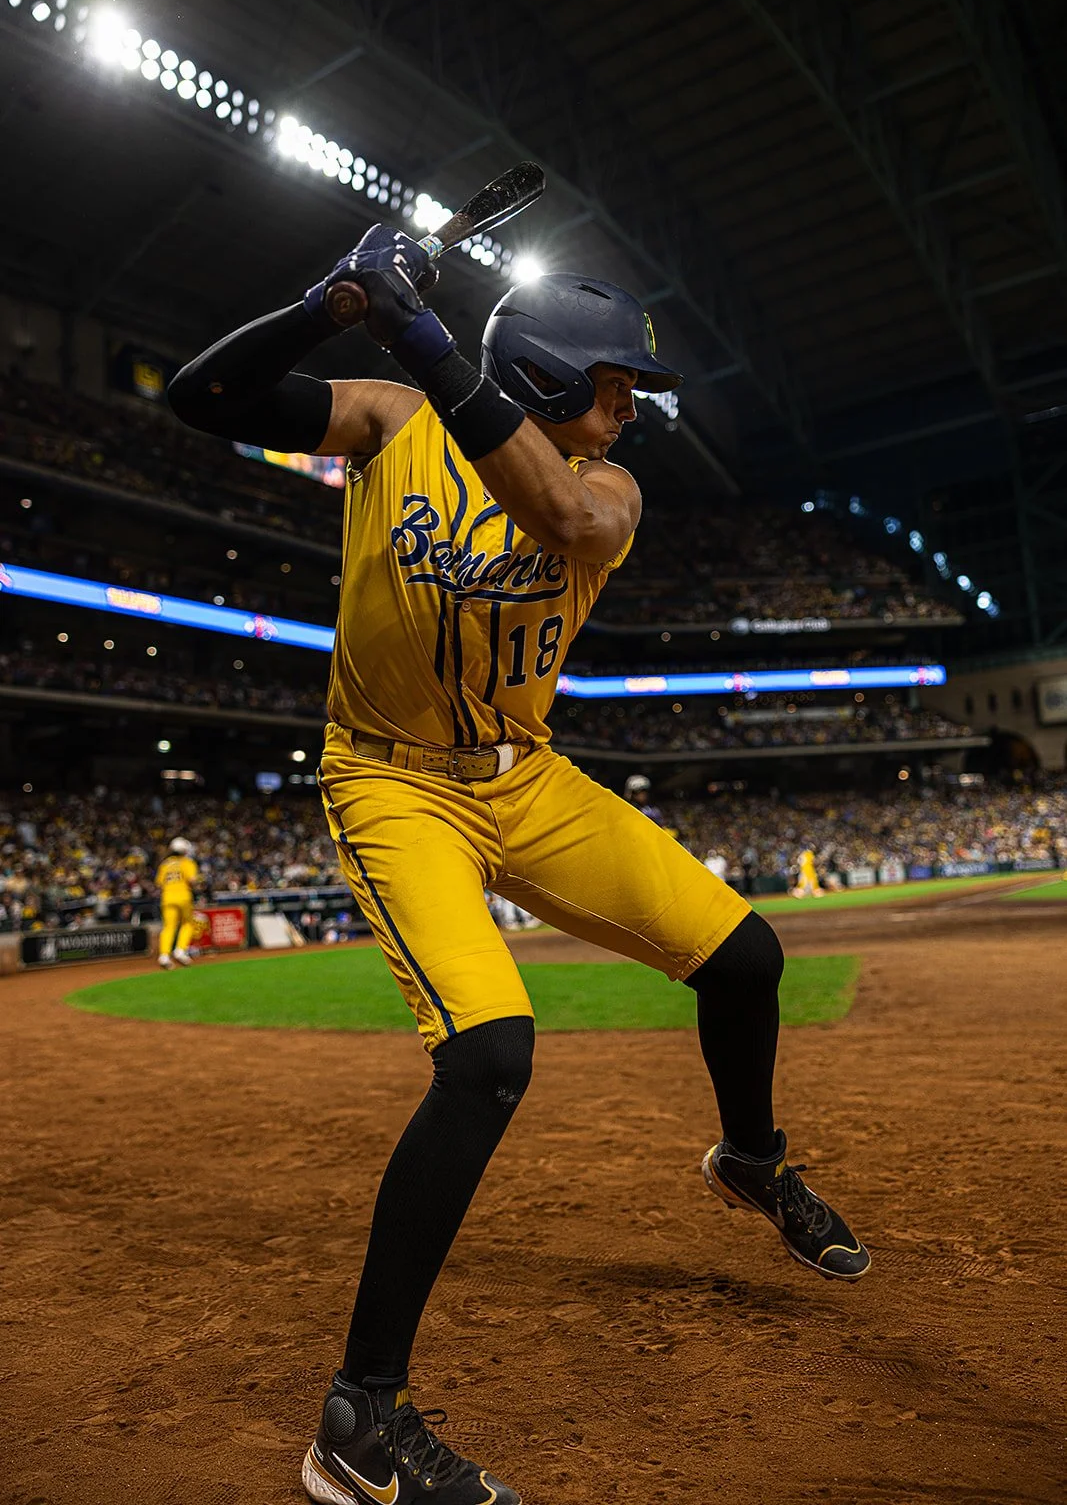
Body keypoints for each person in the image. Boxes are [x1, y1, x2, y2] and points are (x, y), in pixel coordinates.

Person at [169, 229, 869, 1505]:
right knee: (488, 1056)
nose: (631, 410)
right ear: (549, 375)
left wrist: (421, 332)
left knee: (747, 958)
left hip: (525, 774)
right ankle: (357, 1418)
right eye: (616, 386)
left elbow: (548, 510)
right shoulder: (386, 420)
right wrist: (323, 306)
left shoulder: (606, 492)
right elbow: (198, 398)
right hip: (392, 779)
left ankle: (753, 1161)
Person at [154, 837, 198, 968]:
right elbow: (192, 880)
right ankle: (180, 950)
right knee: (188, 924)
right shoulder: (187, 862)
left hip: (167, 898)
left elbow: (159, 883)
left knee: (168, 927)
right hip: (183, 896)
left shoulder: (165, 864)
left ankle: (164, 956)